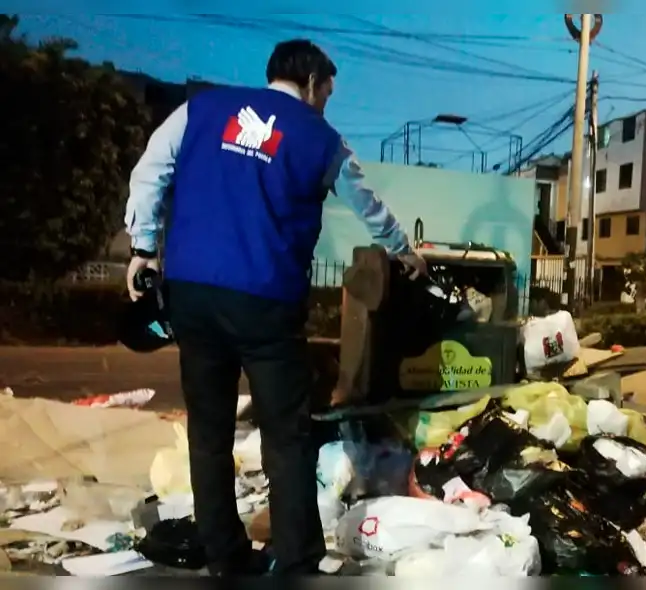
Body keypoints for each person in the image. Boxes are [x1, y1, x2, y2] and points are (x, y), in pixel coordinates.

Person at [123, 39, 426, 575]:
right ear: (310, 82)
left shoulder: (202, 110)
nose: (324, 104)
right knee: (287, 435)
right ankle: (295, 559)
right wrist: (403, 250)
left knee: (208, 431)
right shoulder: (320, 137)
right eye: (326, 93)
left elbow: (151, 170)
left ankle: (225, 555)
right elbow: (366, 203)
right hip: (266, 302)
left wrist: (143, 247)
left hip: (192, 294)